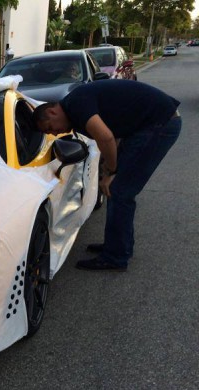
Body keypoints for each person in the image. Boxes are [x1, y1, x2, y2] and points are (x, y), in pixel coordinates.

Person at [32, 79, 181, 272]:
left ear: (52, 112)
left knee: (120, 191)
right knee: (115, 189)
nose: (55, 132)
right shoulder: (74, 110)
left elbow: (106, 137)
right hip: (149, 124)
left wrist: (111, 172)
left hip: (159, 124)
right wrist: (108, 168)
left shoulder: (76, 105)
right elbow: (114, 131)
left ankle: (116, 256)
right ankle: (118, 245)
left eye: (50, 128)